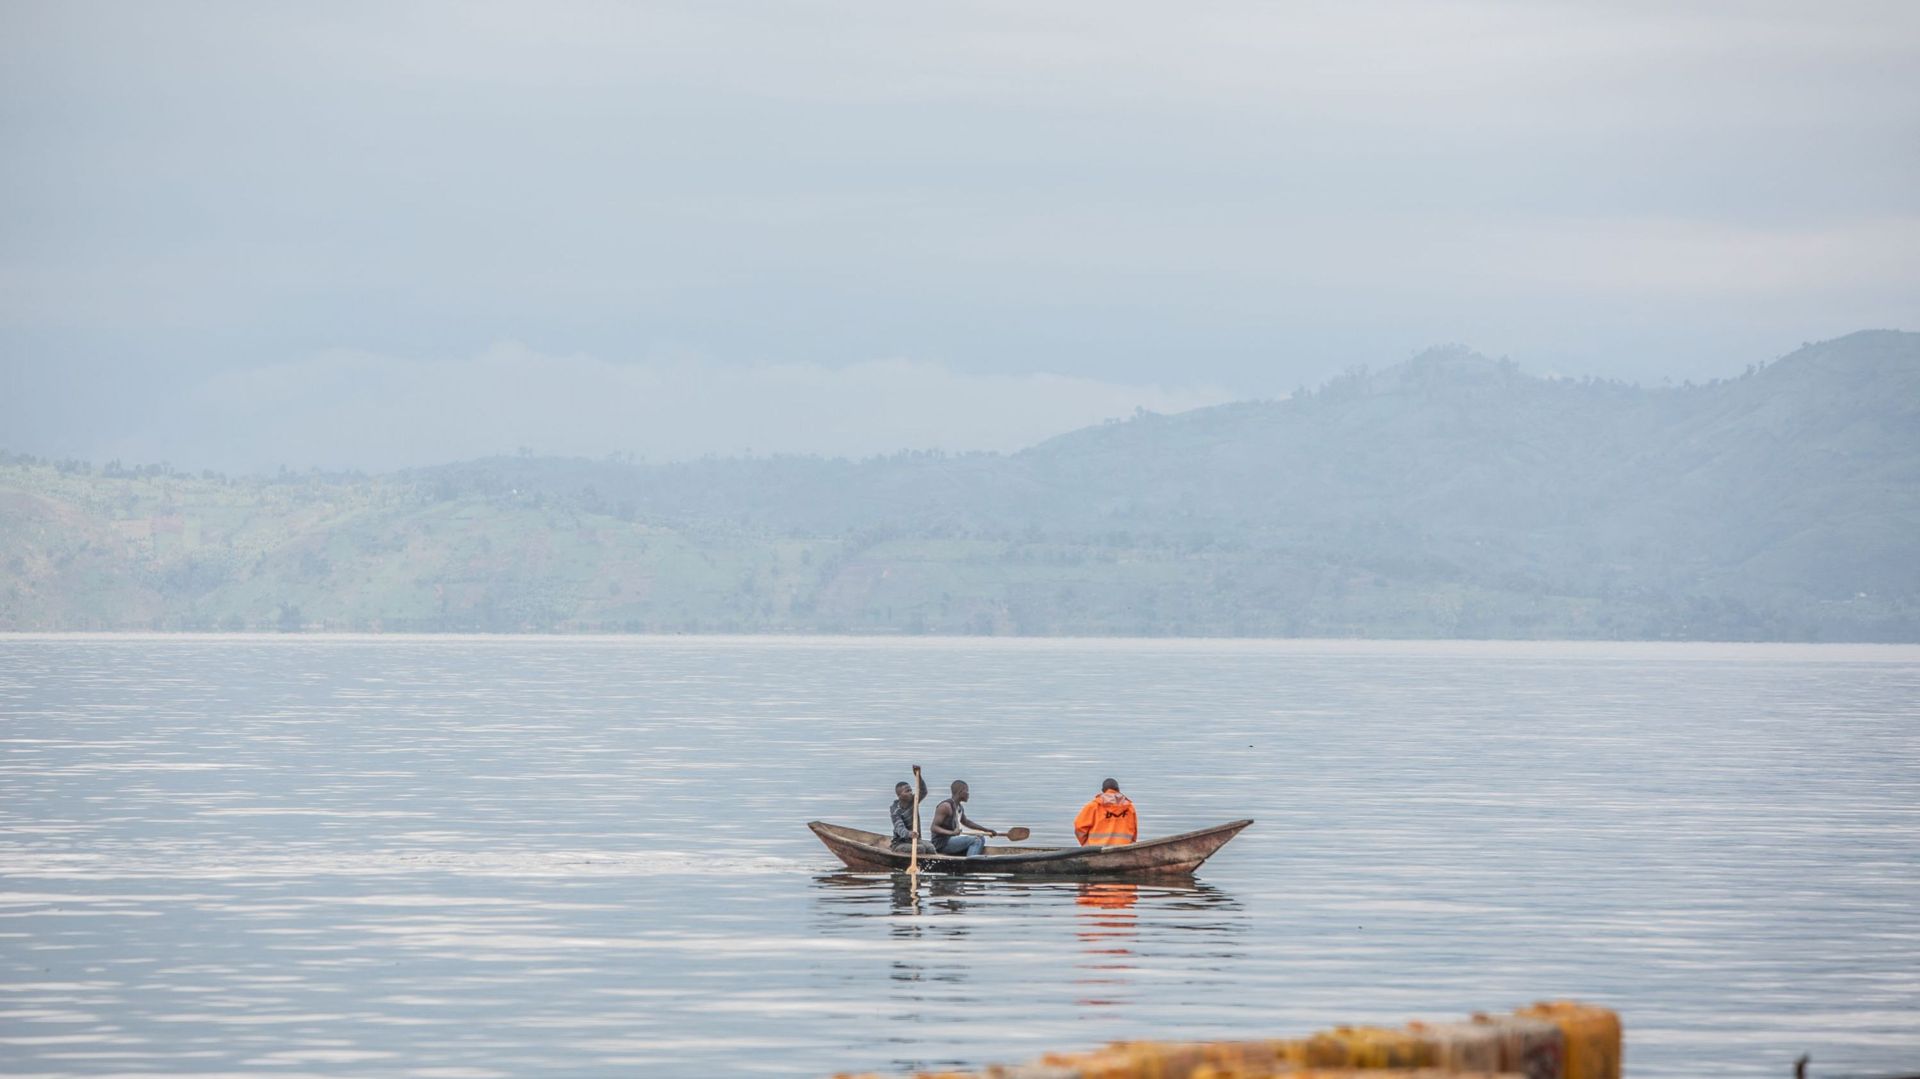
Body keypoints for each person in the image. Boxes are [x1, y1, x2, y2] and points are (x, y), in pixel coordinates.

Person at [929, 779, 999, 857]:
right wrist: (952, 833)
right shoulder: (946, 806)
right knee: (976, 840)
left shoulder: (959, 807)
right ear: (960, 792)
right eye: (967, 791)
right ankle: (971, 863)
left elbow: (966, 822)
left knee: (981, 838)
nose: (968, 794)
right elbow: (934, 827)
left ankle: (972, 857)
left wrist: (986, 830)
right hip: (941, 844)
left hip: (950, 840)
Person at [1074, 778, 1138, 846]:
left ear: (1103, 791)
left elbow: (1079, 827)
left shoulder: (1093, 806)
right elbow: (1134, 830)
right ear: (1118, 790)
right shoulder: (1130, 807)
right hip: (1124, 848)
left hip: (1096, 849)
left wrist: (1085, 844)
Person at [890, 768, 931, 854]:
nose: (910, 793)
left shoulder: (914, 800)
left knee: (931, 848)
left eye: (910, 790)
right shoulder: (895, 810)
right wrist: (909, 834)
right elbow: (899, 827)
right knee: (920, 849)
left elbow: (923, 791)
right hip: (900, 842)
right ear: (899, 795)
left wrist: (918, 776)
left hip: (915, 839)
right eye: (907, 791)